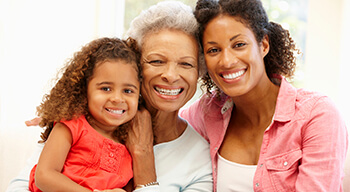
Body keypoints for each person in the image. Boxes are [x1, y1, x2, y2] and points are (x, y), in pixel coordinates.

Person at [6, 1, 213, 192]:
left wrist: (144, 161)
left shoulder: (200, 158)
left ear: (199, 71)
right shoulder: (83, 121)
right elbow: (22, 186)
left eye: (186, 64)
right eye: (157, 61)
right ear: (134, 67)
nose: (170, 75)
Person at [180, 0, 349, 191]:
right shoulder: (206, 113)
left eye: (239, 44)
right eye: (214, 50)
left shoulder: (317, 116)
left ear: (264, 45)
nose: (226, 61)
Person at [28, 37, 141, 192]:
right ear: (84, 90)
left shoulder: (130, 142)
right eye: (106, 88)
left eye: (128, 91)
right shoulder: (71, 126)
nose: (117, 98)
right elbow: (44, 176)